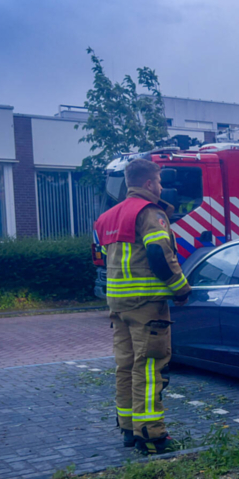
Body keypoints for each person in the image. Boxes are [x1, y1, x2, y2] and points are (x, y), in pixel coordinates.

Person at [93, 159, 192, 455]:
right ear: (148, 183)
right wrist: (181, 288)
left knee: (125, 366)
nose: (161, 187)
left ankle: (128, 428)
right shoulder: (150, 212)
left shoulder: (107, 217)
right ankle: (151, 435)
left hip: (118, 304)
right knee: (149, 368)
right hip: (147, 306)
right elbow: (157, 252)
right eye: (159, 182)